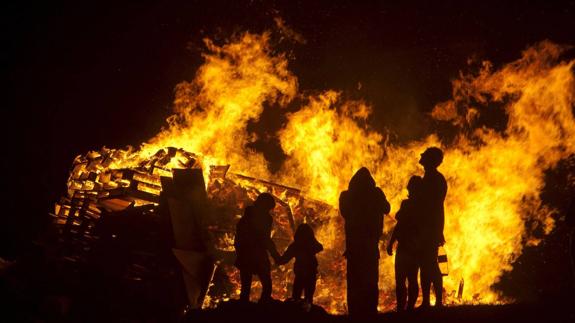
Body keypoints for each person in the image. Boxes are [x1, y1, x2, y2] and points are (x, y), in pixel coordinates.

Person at [339, 167, 391, 317]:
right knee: (370, 279)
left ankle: (355, 311)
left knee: (354, 280)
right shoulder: (376, 194)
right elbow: (387, 209)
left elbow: (345, 213)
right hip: (369, 244)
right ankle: (370, 310)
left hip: (354, 245)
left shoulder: (346, 196)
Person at [234, 193, 280, 303]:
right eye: (269, 208)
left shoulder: (247, 216)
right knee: (267, 284)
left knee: (246, 285)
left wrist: (240, 251)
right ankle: (262, 307)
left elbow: (239, 236)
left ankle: (244, 307)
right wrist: (275, 255)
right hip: (257, 254)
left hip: (246, 253)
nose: (269, 210)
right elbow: (265, 239)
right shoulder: (265, 218)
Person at [387, 176, 423, 312]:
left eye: (411, 188)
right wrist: (391, 243)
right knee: (405, 280)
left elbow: (399, 222)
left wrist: (391, 243)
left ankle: (405, 309)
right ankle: (404, 309)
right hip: (408, 248)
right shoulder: (413, 205)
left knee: (407, 280)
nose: (410, 190)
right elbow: (399, 225)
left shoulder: (412, 206)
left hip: (410, 248)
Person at [417, 147, 447, 308]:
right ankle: (428, 301)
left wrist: (436, 231)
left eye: (425, 155)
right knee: (425, 264)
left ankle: (438, 302)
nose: (421, 156)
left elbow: (431, 206)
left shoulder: (434, 179)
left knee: (430, 264)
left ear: (430, 160)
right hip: (427, 227)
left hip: (430, 228)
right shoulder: (431, 178)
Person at [277, 223, 323, 307]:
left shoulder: (295, 246)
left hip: (301, 274)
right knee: (308, 298)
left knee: (296, 297)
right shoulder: (310, 244)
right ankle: (306, 314)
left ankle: (297, 315)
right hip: (310, 274)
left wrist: (276, 259)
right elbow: (319, 247)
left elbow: (284, 259)